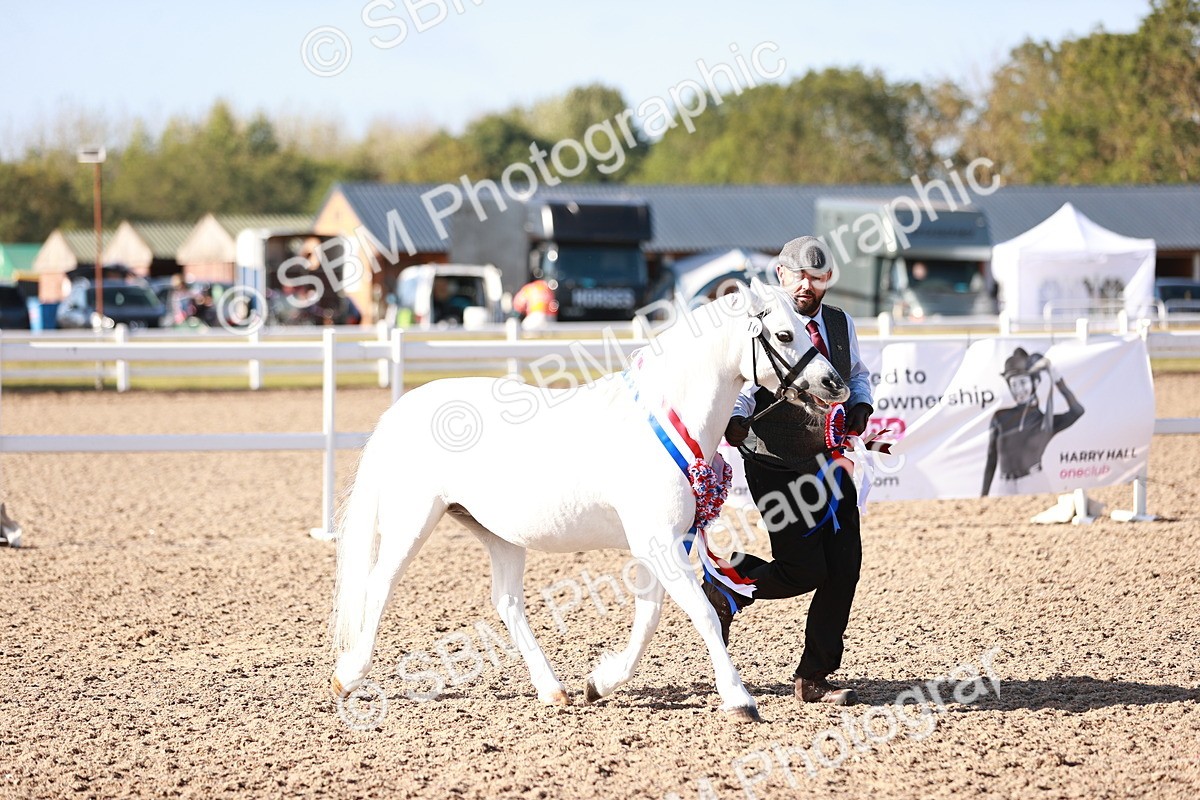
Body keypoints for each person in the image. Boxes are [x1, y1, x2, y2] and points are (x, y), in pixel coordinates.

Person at [708, 235, 874, 707]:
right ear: (781, 275)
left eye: (818, 277)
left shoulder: (839, 324)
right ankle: (726, 580)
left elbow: (856, 372)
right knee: (804, 571)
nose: (808, 284)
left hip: (832, 462)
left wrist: (860, 402)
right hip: (776, 463)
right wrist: (737, 416)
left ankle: (814, 676)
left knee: (845, 568)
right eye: (799, 275)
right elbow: (744, 378)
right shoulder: (763, 322)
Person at [981, 348, 1085, 496]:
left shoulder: (1045, 421)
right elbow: (992, 457)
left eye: (1023, 382)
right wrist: (983, 494)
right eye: (1013, 384)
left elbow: (1077, 411)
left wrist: (1056, 378)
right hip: (1005, 486)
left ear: (1035, 382)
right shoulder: (1000, 417)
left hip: (1034, 483)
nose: (1018, 390)